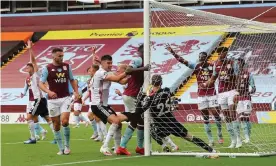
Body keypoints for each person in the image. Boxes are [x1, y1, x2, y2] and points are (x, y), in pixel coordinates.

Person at [142, 75, 218, 154]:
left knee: (149, 129)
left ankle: (164, 146)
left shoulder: (151, 98)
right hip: (172, 122)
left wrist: (146, 98)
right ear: (161, 83)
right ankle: (212, 150)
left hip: (160, 124)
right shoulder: (166, 90)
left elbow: (144, 108)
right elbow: (167, 95)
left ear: (152, 83)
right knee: (190, 138)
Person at [166, 45, 223, 146]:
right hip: (201, 95)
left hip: (212, 93)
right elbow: (182, 61)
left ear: (206, 58)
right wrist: (172, 52)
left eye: (203, 57)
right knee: (205, 116)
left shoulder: (212, 66)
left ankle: (219, 134)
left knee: (215, 113)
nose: (201, 59)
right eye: (200, 58)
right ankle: (210, 139)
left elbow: (215, 76)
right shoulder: (196, 66)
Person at [39, 47, 79, 155]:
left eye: (62, 56)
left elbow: (72, 80)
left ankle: (67, 146)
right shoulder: (47, 68)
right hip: (52, 100)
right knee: (56, 125)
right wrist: (48, 91)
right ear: (53, 56)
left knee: (65, 121)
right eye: (59, 56)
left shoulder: (67, 66)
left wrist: (76, 92)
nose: (61, 58)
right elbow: (40, 83)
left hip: (65, 98)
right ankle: (60, 148)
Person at [201, 47, 241, 148]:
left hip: (232, 91)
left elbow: (238, 77)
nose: (223, 55)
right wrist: (205, 84)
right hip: (222, 93)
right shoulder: (216, 64)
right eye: (221, 53)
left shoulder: (232, 63)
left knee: (232, 113)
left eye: (224, 53)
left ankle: (239, 139)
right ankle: (233, 140)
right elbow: (213, 78)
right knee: (226, 117)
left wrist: (237, 92)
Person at [90, 54, 127, 156]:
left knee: (118, 123)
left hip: (104, 105)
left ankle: (117, 148)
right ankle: (104, 147)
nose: (110, 65)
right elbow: (116, 79)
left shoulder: (107, 72)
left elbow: (123, 81)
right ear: (102, 63)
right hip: (98, 105)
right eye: (108, 63)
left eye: (111, 63)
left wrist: (133, 75)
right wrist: (128, 71)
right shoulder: (100, 73)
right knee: (115, 121)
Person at [116, 44, 149, 155]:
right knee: (135, 120)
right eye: (147, 49)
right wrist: (143, 69)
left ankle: (139, 147)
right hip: (130, 95)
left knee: (140, 121)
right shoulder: (138, 59)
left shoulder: (143, 60)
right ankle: (122, 146)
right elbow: (129, 70)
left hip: (133, 95)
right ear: (141, 51)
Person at [22, 40, 54, 144]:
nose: (26, 68)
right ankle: (57, 137)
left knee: (29, 117)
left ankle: (33, 138)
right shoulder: (29, 77)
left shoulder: (36, 74)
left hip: (38, 99)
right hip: (41, 99)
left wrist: (30, 49)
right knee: (47, 118)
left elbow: (34, 61)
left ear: (32, 68)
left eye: (28, 66)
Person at [234, 58, 256, 143]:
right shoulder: (235, 74)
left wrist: (251, 91)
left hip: (246, 98)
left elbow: (253, 87)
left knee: (245, 118)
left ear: (242, 64)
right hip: (239, 98)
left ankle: (247, 137)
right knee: (242, 118)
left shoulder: (249, 74)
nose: (237, 65)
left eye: (239, 63)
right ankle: (247, 137)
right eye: (237, 63)